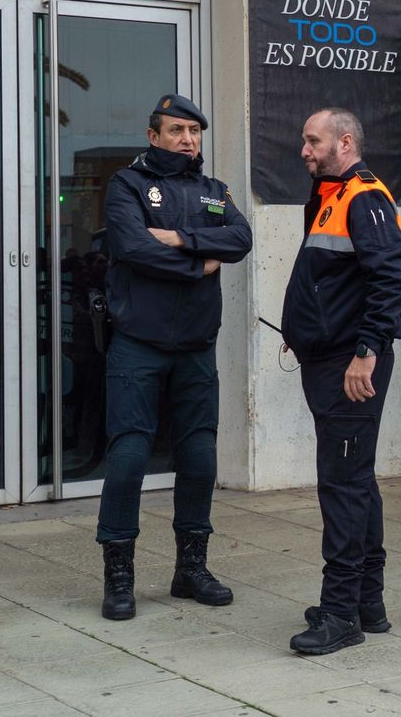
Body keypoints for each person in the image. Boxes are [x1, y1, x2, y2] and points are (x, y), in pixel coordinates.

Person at [96, 95, 252, 621]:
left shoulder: (213, 191)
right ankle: (119, 573)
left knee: (201, 459)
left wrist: (181, 237)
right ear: (153, 135)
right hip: (138, 346)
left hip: (196, 350)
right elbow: (133, 247)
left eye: (195, 131)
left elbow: (241, 237)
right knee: (129, 458)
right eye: (178, 130)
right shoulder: (127, 186)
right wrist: (199, 264)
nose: (189, 139)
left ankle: (191, 568)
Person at [281, 108, 401, 655]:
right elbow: (332, 280)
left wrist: (365, 353)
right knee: (355, 481)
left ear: (345, 142)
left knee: (342, 486)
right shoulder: (332, 194)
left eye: (313, 141)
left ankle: (341, 614)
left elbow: (391, 279)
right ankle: (365, 602)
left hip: (349, 369)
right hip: (330, 361)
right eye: (304, 141)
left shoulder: (364, 196)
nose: (305, 150)